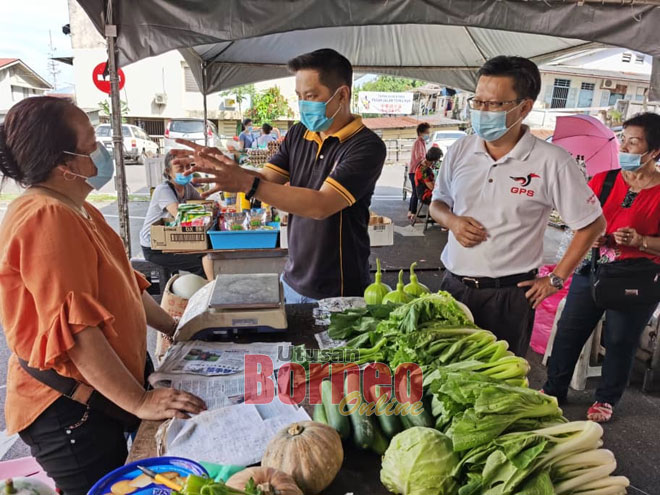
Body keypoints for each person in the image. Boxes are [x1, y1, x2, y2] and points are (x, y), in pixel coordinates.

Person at [0, 97, 206, 495]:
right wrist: (139, 402)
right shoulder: (46, 216)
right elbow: (76, 332)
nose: (101, 148)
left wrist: (175, 327)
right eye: (91, 140)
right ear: (65, 162)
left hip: (103, 396)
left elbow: (124, 284)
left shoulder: (79, 208)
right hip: (70, 411)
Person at [173, 48, 386, 303]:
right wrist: (225, 166)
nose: (303, 104)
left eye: (311, 96)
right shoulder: (299, 133)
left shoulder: (366, 146)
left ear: (342, 95)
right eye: (299, 96)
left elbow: (321, 205)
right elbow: (266, 180)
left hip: (338, 288)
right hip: (293, 278)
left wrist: (245, 181)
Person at [430, 56, 606, 356]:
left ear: (524, 107)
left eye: (494, 104)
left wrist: (556, 278)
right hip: (453, 288)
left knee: (499, 388)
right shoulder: (461, 149)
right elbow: (438, 203)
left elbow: (592, 224)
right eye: (478, 102)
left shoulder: (552, 161)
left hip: (508, 298)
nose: (482, 111)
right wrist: (453, 222)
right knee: (442, 378)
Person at [543, 112, 660, 423]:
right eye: (623, 139)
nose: (625, 147)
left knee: (621, 340)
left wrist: (641, 241)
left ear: (654, 152)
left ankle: (606, 399)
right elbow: (581, 221)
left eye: (633, 142)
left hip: (637, 278)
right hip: (592, 272)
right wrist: (592, 236)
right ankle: (553, 389)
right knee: (569, 332)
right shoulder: (604, 179)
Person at [139, 152, 213, 279]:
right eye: (180, 168)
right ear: (168, 171)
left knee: (210, 248)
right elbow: (180, 214)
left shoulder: (187, 187)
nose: (186, 171)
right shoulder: (163, 190)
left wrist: (213, 206)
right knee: (201, 261)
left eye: (189, 166)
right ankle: (208, 290)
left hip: (171, 240)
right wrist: (207, 211)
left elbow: (203, 204)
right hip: (155, 247)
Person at [408, 122, 431, 221]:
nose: (428, 134)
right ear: (421, 133)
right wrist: (428, 162)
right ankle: (412, 213)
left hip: (416, 171)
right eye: (427, 132)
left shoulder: (422, 142)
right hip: (415, 171)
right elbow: (420, 157)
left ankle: (411, 212)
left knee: (415, 193)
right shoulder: (418, 142)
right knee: (416, 193)